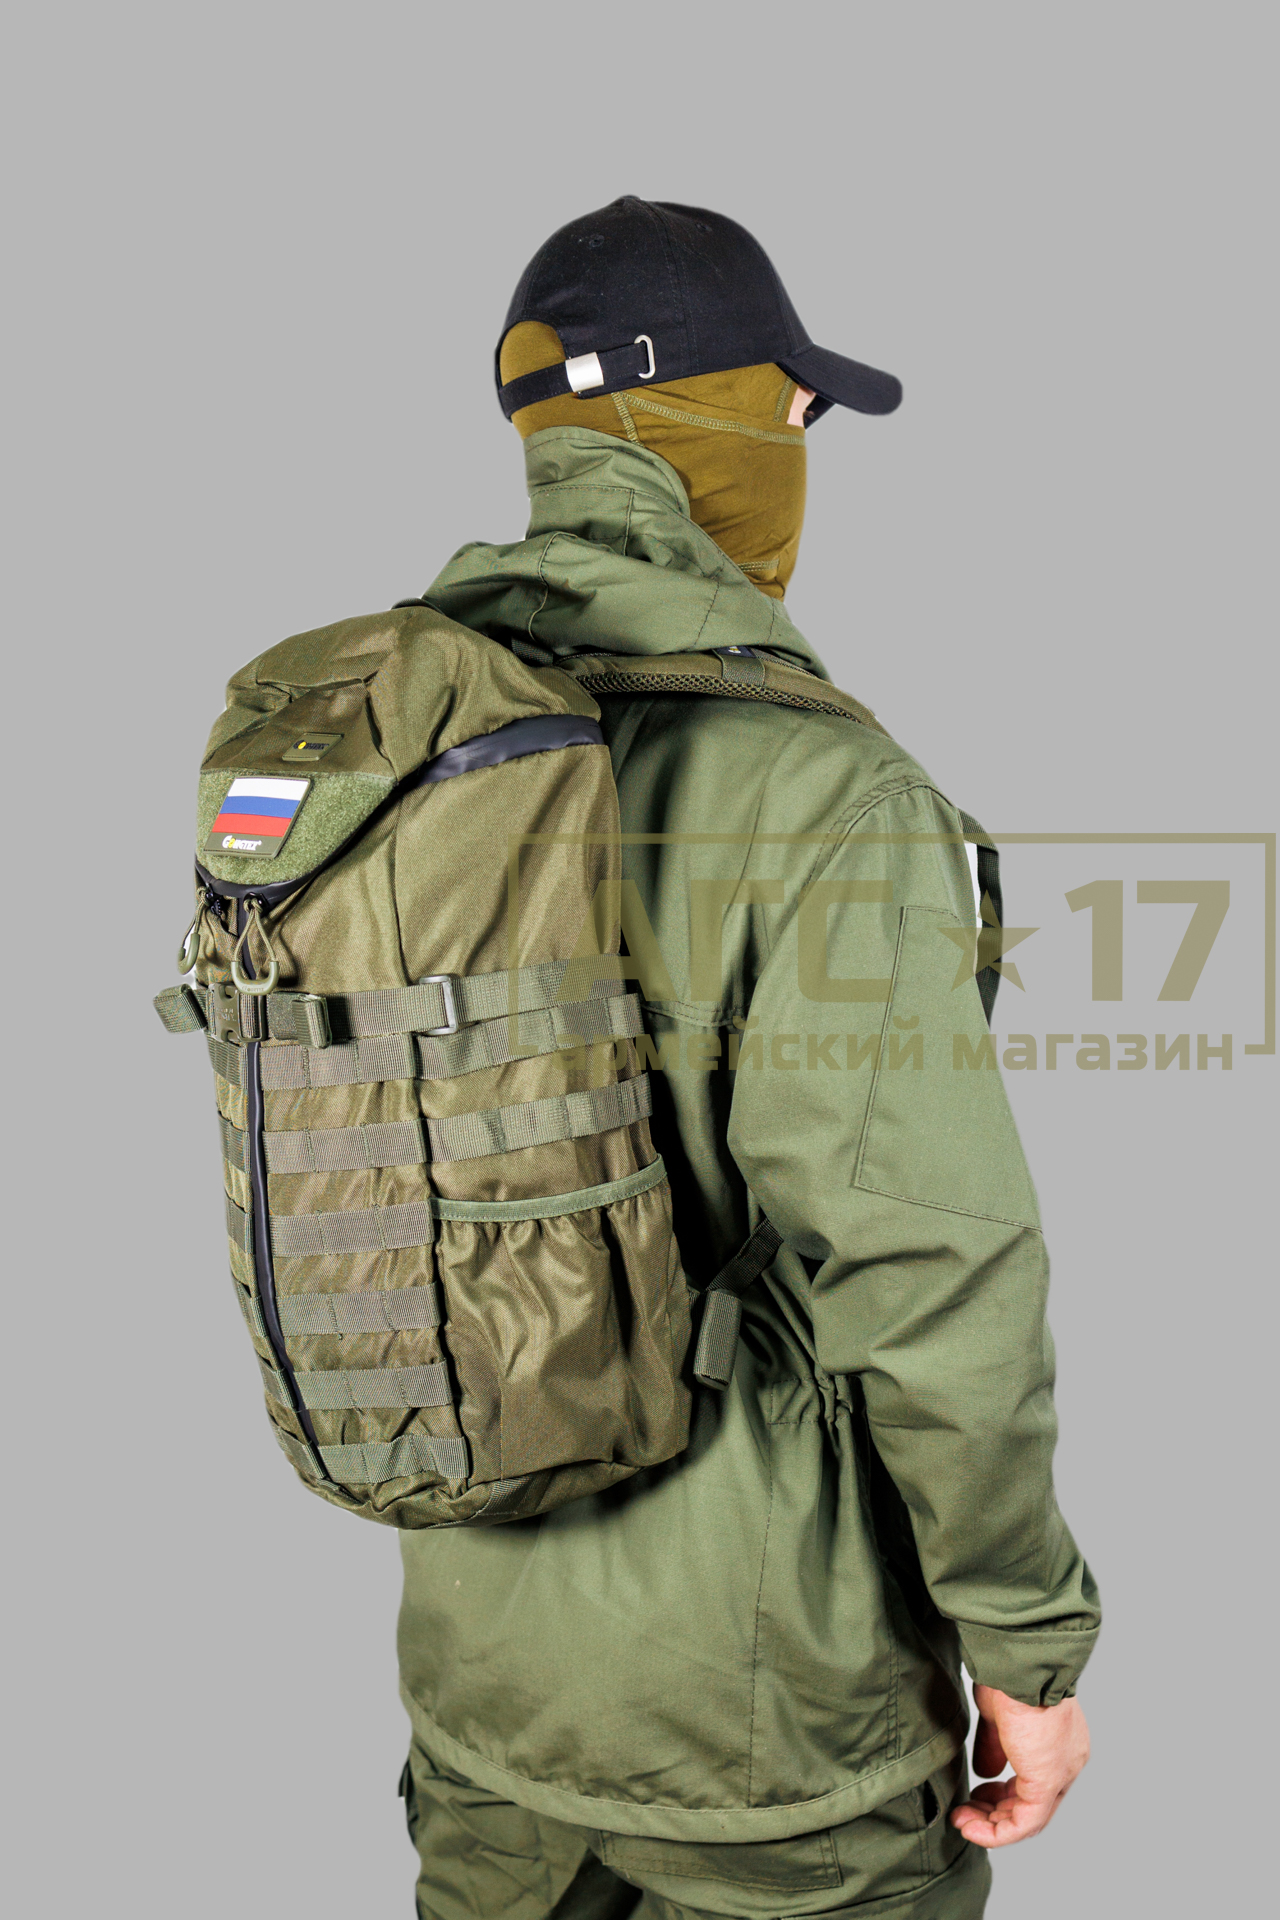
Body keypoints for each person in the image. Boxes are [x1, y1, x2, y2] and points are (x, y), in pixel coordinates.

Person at [396, 196, 1099, 1920]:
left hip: (483, 1696)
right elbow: (932, 1266)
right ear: (717, 425)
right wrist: (1025, 1644)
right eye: (796, 413)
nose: (800, 453)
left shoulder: (403, 756)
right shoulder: (826, 794)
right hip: (779, 1738)